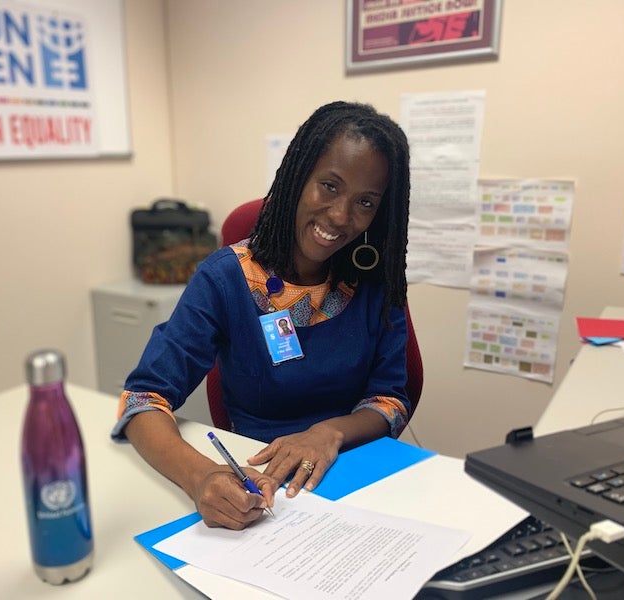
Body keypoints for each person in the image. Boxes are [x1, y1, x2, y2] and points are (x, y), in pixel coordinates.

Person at [112, 100, 411, 530]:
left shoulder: (376, 283)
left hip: (357, 479)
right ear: (297, 177)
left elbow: (391, 400)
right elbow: (142, 401)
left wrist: (332, 432)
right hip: (265, 491)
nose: (342, 216)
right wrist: (201, 477)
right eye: (329, 186)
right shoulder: (224, 279)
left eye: (365, 202)